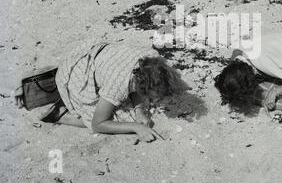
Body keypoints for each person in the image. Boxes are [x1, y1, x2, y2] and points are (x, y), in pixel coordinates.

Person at [40, 41, 189, 142]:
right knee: (118, 118)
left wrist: (139, 111)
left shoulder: (151, 58)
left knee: (136, 108)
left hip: (89, 54)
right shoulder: (118, 83)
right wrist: (136, 127)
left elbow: (138, 82)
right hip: (77, 76)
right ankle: (62, 116)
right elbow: (99, 124)